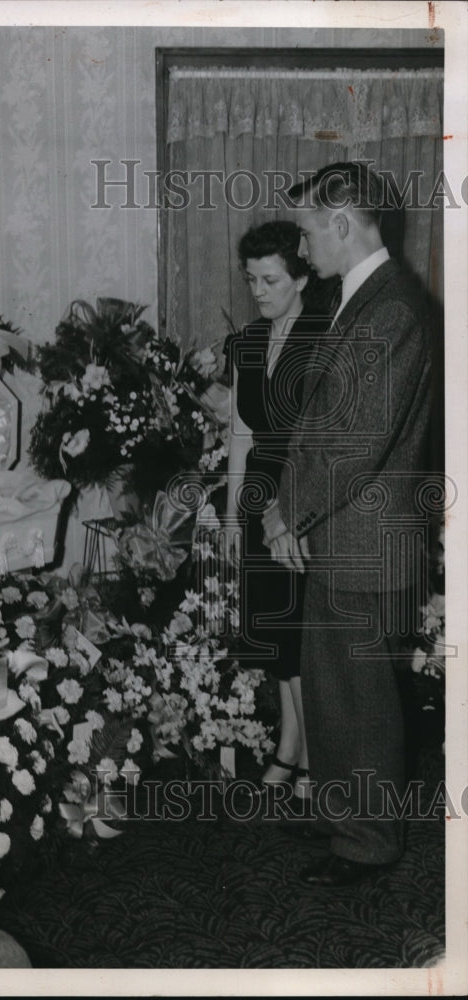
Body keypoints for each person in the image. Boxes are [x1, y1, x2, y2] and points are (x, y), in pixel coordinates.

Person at [262, 162, 433, 886]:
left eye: (305, 232)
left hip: (364, 537)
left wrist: (284, 513)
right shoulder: (360, 299)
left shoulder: (390, 308)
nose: (301, 251)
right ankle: (346, 823)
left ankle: (368, 843)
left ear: (341, 222)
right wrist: (289, 510)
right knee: (336, 689)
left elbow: (355, 438)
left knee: (360, 700)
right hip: (342, 532)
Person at [225, 221, 330, 798]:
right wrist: (231, 511)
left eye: (270, 280)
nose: (258, 291)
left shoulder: (324, 334)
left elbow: (324, 443)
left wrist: (299, 513)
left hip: (302, 493)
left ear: (302, 276)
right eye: (251, 279)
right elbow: (240, 432)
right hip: (259, 491)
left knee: (301, 632)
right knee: (274, 628)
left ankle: (311, 755)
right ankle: (292, 745)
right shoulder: (248, 340)